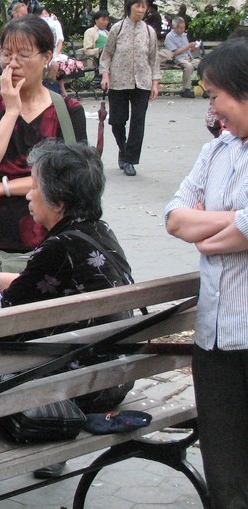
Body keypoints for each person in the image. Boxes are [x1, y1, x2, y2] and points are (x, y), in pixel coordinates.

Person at [0, 140, 136, 478]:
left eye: (34, 187)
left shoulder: (58, 248)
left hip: (84, 385)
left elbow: (7, 311)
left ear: (59, 202)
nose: (28, 196)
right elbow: (35, 283)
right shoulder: (98, 232)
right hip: (118, 372)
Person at [165, 38, 248, 509]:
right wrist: (233, 222)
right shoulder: (215, 151)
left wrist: (215, 224)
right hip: (214, 334)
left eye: (217, 95)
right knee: (224, 466)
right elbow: (176, 216)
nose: (212, 107)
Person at [0, 15, 87, 273]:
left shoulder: (68, 112)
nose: (13, 64)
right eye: (7, 55)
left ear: (47, 56)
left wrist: (2, 187)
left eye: (24, 55)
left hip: (52, 243)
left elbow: (68, 179)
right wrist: (10, 112)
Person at [100, 0, 161, 177]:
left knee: (138, 120)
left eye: (144, 6)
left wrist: (155, 82)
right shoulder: (117, 29)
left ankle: (130, 160)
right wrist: (105, 74)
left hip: (142, 81)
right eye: (138, 6)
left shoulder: (149, 32)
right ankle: (122, 147)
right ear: (130, 7)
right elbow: (107, 55)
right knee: (117, 120)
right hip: (119, 81)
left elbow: (154, 59)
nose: (141, 10)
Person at [164, 16, 200, 99]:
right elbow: (174, 53)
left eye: (184, 27)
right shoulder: (169, 37)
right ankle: (186, 89)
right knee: (188, 66)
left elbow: (187, 50)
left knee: (202, 63)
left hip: (188, 58)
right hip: (176, 59)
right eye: (181, 28)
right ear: (174, 28)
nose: (183, 29)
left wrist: (193, 48)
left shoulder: (183, 35)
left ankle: (205, 87)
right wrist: (188, 46)